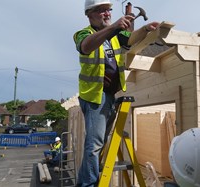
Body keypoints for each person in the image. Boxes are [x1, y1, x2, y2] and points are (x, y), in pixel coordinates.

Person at [73, 0, 159, 186]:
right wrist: (113, 27)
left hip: (110, 96)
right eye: (101, 10)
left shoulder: (115, 36)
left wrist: (145, 30)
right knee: (94, 145)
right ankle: (88, 184)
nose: (107, 13)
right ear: (89, 14)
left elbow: (129, 40)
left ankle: (84, 182)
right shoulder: (83, 34)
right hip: (95, 96)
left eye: (108, 10)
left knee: (98, 143)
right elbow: (86, 47)